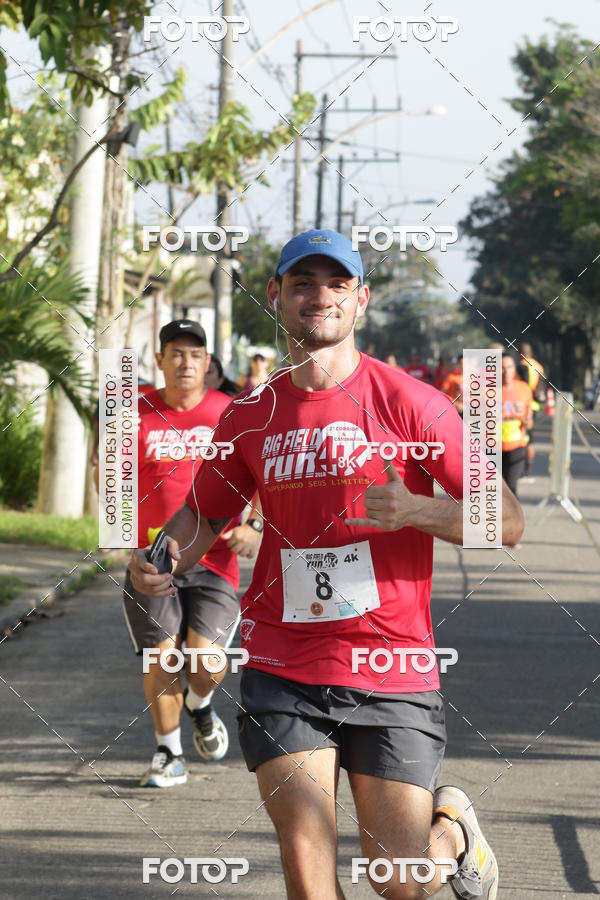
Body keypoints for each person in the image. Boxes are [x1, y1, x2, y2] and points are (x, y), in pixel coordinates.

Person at [129, 229, 523, 897]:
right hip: (284, 665)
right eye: (303, 284)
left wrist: (415, 511)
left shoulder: (413, 405)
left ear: (360, 300)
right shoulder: (251, 416)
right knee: (309, 877)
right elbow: (205, 512)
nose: (320, 297)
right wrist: (161, 556)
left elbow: (508, 521)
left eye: (336, 284)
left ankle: (452, 828)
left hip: (390, 666)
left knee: (398, 880)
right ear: (276, 296)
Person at [124, 319, 262, 788]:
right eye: (176, 353)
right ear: (159, 360)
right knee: (162, 658)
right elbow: (114, 486)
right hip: (153, 559)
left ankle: (200, 704)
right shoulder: (133, 413)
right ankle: (170, 753)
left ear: (208, 363)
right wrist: (127, 548)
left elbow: (265, 470)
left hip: (215, 561)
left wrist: (254, 524)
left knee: (205, 665)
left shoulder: (231, 412)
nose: (185, 362)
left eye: (195, 354)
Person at [501, 351, 533, 501]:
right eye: (501, 367)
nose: (506, 371)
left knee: (511, 486)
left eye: (509, 367)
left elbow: (529, 419)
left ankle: (514, 522)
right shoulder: (485, 391)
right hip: (492, 447)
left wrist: (527, 421)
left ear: (514, 368)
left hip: (517, 445)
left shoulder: (524, 389)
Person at [517, 343, 545, 477]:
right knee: (530, 438)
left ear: (519, 353)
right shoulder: (538, 365)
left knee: (523, 437)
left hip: (524, 406)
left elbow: (524, 388)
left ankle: (521, 468)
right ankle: (528, 468)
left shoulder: (522, 366)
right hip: (535, 405)